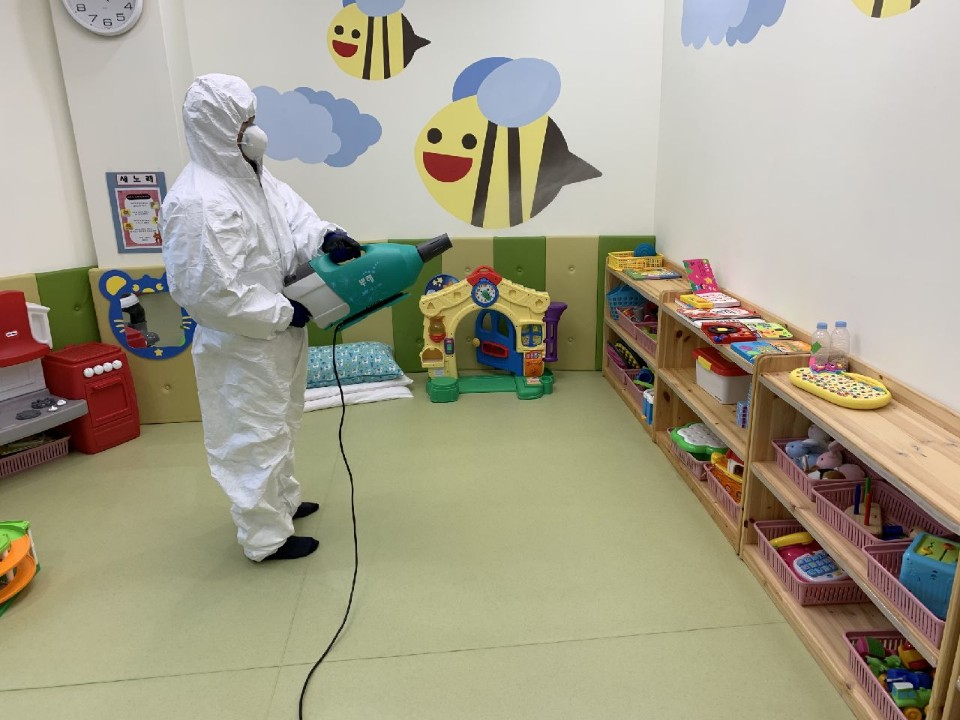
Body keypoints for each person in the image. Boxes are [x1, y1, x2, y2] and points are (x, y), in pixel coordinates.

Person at [159, 74, 360, 561]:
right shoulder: (198, 201)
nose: (253, 130)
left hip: (277, 334)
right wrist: (281, 312)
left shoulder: (254, 178)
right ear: (214, 126)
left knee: (281, 424)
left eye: (252, 118)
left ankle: (282, 503)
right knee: (251, 437)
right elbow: (208, 292)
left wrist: (327, 237)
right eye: (242, 121)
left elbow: (296, 220)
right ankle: (265, 538)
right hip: (241, 345)